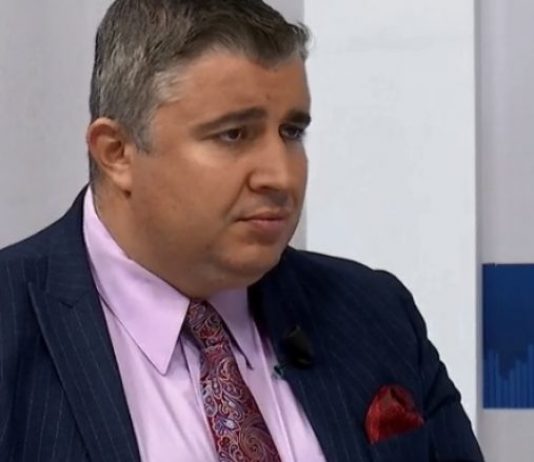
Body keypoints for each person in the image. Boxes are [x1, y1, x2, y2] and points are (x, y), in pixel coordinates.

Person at [0, 1, 484, 461]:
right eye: (233, 134)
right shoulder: (12, 321)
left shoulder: (373, 312)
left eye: (292, 132)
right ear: (117, 152)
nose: (281, 175)